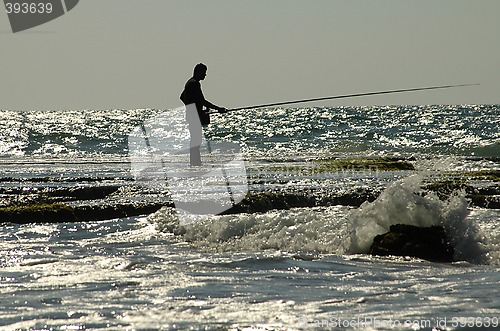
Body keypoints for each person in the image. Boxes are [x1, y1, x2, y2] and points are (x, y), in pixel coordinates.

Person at [180, 63, 227, 165]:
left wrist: (191, 107)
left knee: (195, 140)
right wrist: (219, 109)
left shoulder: (190, 82)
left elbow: (182, 97)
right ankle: (195, 162)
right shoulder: (194, 83)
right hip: (194, 116)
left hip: (192, 115)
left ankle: (195, 162)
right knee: (196, 140)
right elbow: (202, 101)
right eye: (204, 73)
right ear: (198, 72)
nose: (205, 75)